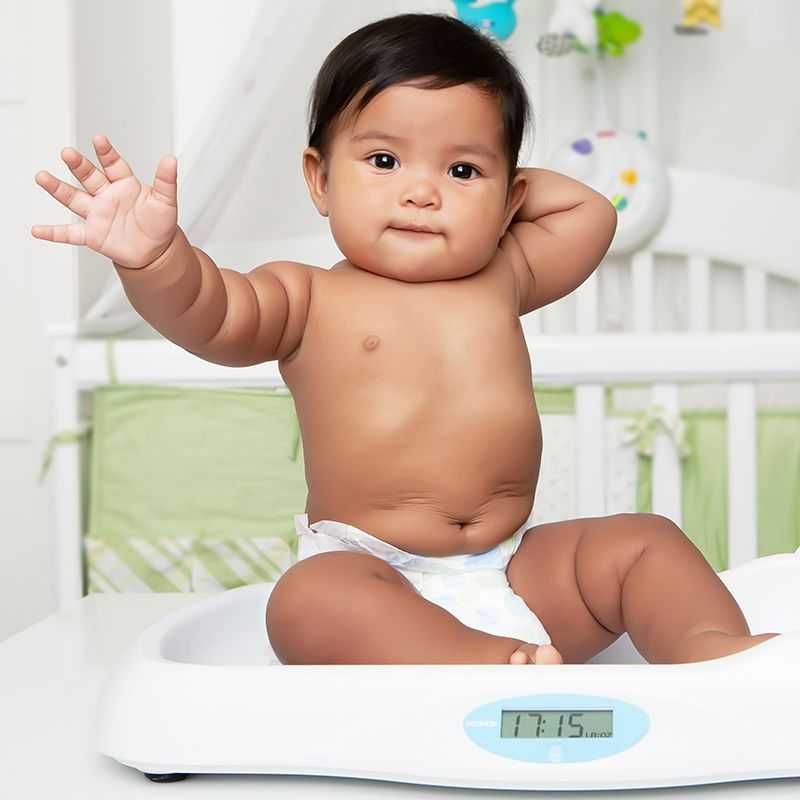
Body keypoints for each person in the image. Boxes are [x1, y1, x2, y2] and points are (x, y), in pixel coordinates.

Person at [32, 13, 778, 666]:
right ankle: (472, 662)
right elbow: (212, 312)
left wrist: (495, 188)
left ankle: (709, 653)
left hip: (518, 573)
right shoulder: (307, 294)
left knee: (643, 542)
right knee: (305, 602)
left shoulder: (504, 272)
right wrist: (158, 260)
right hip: (372, 573)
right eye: (385, 161)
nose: (422, 192)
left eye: (459, 169)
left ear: (511, 197)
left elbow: (590, 213)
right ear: (319, 181)